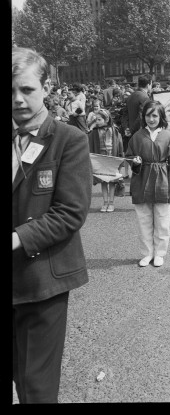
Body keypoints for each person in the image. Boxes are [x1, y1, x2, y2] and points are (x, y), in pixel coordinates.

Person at [12, 47, 92, 403]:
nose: (17, 100)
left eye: (26, 90)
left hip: (41, 282)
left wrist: (16, 238)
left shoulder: (68, 140)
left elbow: (70, 213)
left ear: (46, 87)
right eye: (10, 90)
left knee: (36, 390)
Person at [125, 100, 170, 267]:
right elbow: (129, 156)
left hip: (162, 181)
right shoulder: (137, 136)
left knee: (162, 220)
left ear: (161, 117)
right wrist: (134, 161)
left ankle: (160, 253)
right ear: (144, 117)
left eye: (155, 115)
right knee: (144, 219)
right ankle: (147, 253)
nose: (151, 119)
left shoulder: (169, 136)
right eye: (148, 115)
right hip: (142, 179)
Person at [88, 108, 124, 213]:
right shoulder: (94, 132)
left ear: (106, 119)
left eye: (99, 119)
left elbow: (120, 145)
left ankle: (111, 202)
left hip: (112, 157)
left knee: (112, 181)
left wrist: (120, 160)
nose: (97, 122)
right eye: (96, 119)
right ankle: (105, 202)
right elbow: (90, 146)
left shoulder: (115, 130)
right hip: (100, 158)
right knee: (103, 181)